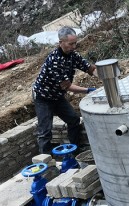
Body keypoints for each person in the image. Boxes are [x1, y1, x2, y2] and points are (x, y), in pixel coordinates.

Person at [32, 26, 97, 154]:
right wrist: (89, 90)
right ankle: (46, 160)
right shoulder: (55, 60)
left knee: (73, 119)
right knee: (45, 131)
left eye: (75, 43)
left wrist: (106, 77)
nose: (74, 46)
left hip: (57, 96)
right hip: (43, 98)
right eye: (70, 44)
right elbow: (67, 86)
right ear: (61, 43)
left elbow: (90, 68)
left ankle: (75, 150)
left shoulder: (73, 56)